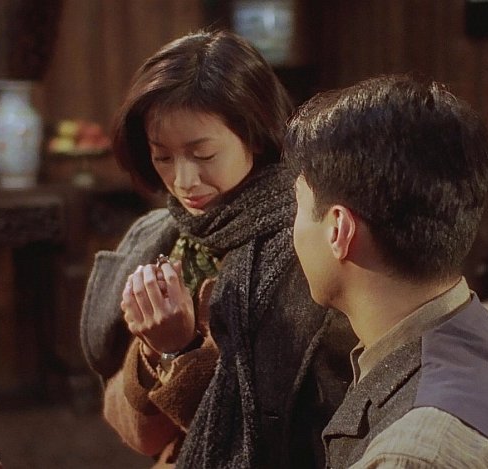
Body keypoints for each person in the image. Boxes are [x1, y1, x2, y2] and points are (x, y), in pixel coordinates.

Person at [79, 30, 354, 468]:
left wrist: (181, 349)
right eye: (162, 157)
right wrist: (153, 350)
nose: (183, 181)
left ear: (257, 135)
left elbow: (287, 439)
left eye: (203, 154)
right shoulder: (161, 237)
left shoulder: (306, 245)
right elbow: (140, 437)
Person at [283, 74, 488, 468]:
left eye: (298, 205)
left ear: (339, 230)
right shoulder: (484, 333)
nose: (291, 229)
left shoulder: (414, 454)